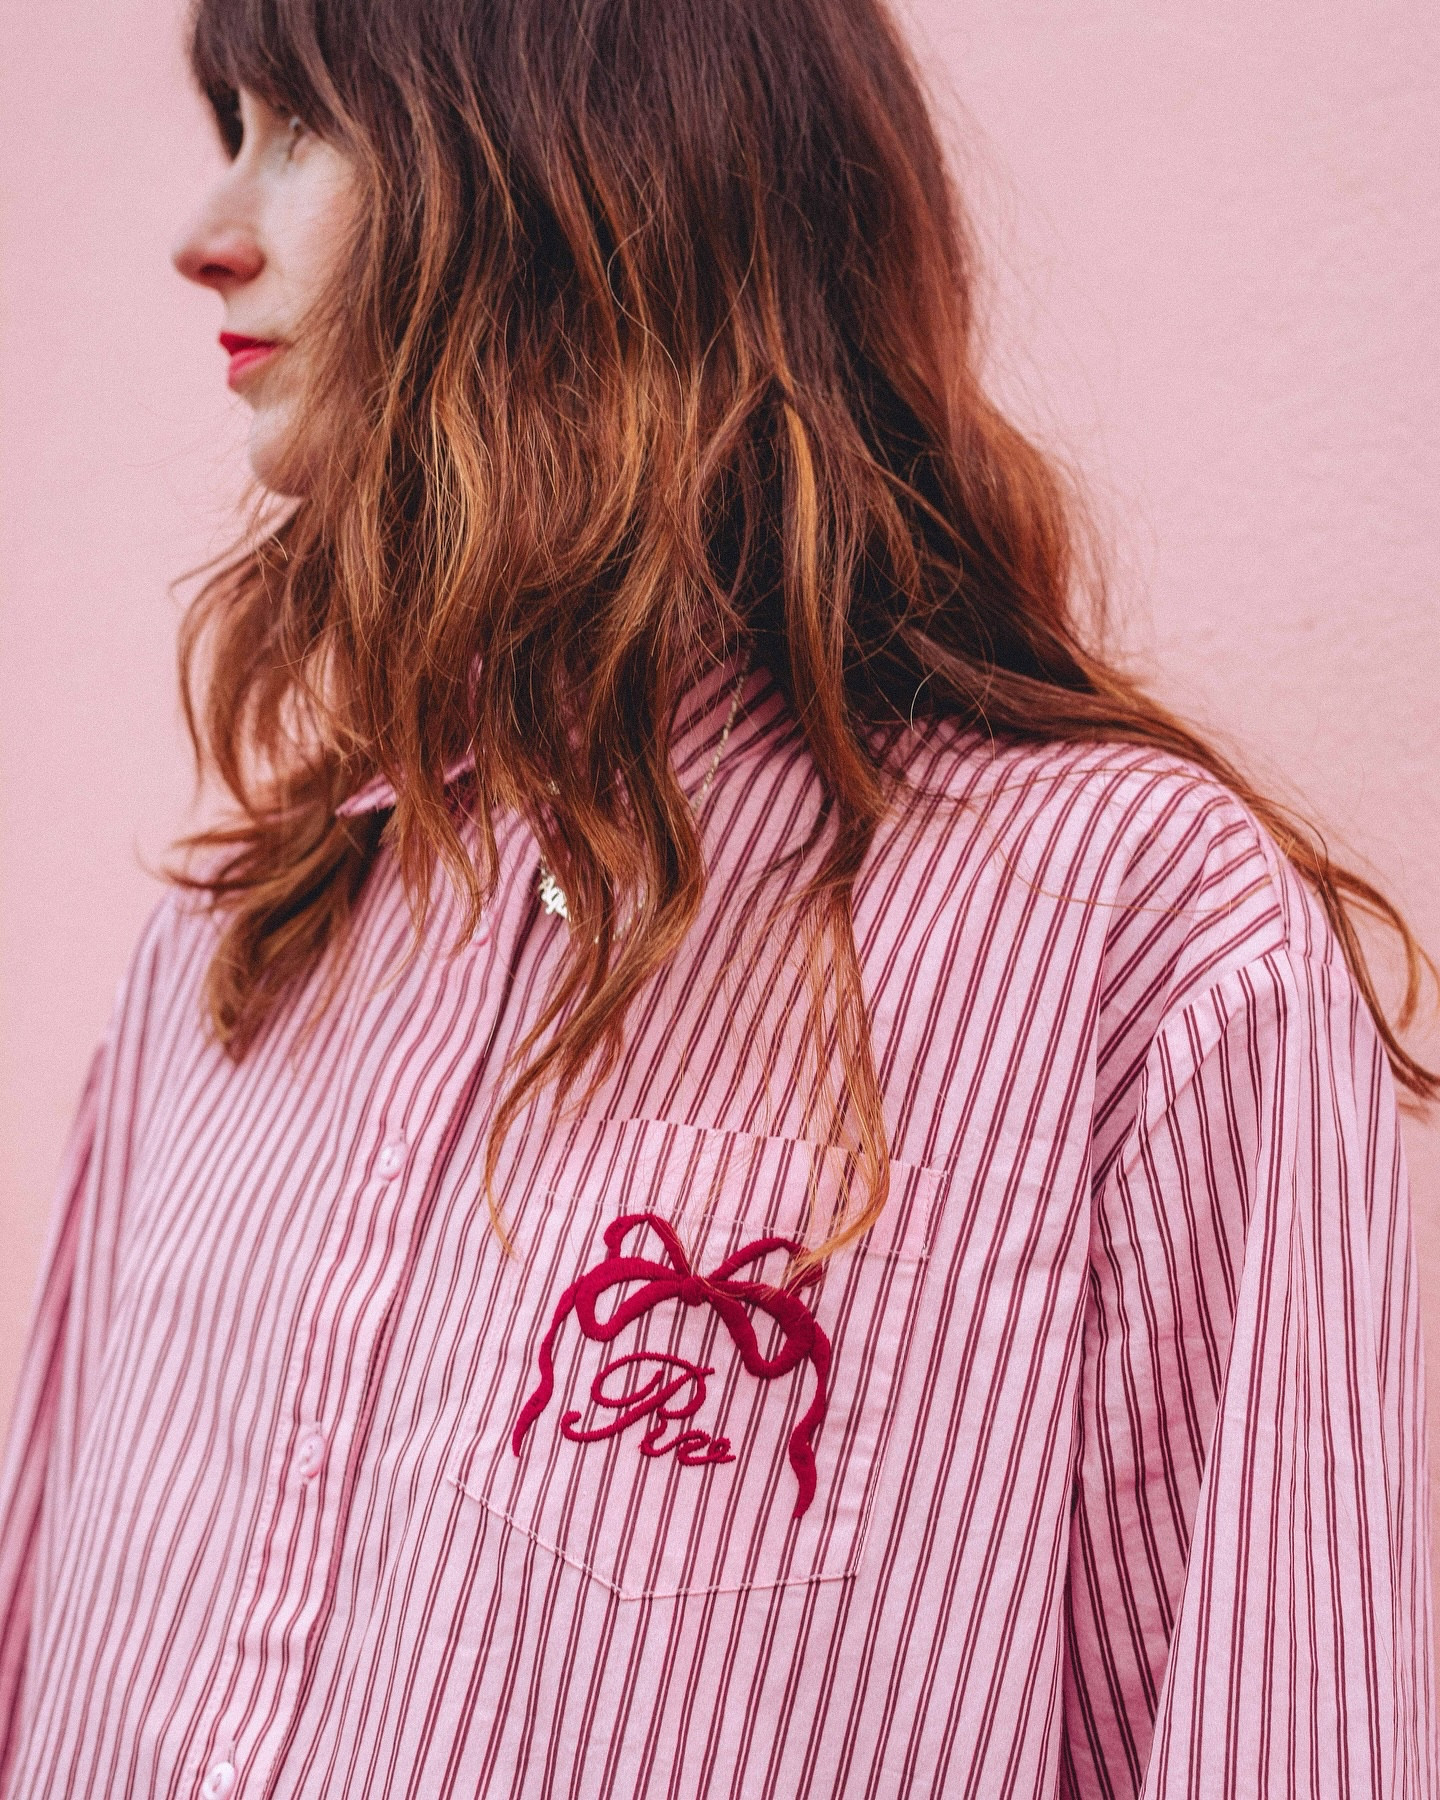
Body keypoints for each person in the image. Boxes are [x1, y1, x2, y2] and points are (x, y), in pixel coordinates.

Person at [0, 0, 1434, 1793]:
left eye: (305, 128)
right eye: (237, 130)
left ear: (590, 181)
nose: (207, 234)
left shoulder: (1135, 942)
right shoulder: (231, 955)